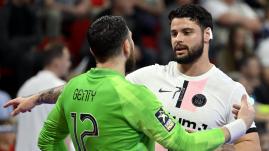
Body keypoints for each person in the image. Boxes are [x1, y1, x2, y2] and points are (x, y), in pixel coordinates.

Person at [5, 15, 255, 151]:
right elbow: (183, 143)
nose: (177, 39)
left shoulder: (73, 87)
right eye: (174, 33)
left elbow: (47, 140)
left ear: (92, 50)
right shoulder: (135, 93)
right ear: (127, 46)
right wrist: (240, 124)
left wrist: (37, 98)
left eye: (186, 32)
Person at [15, 43, 72, 151]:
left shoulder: (24, 87)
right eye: (67, 59)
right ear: (57, 62)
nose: (69, 64)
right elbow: (65, 131)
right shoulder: (63, 89)